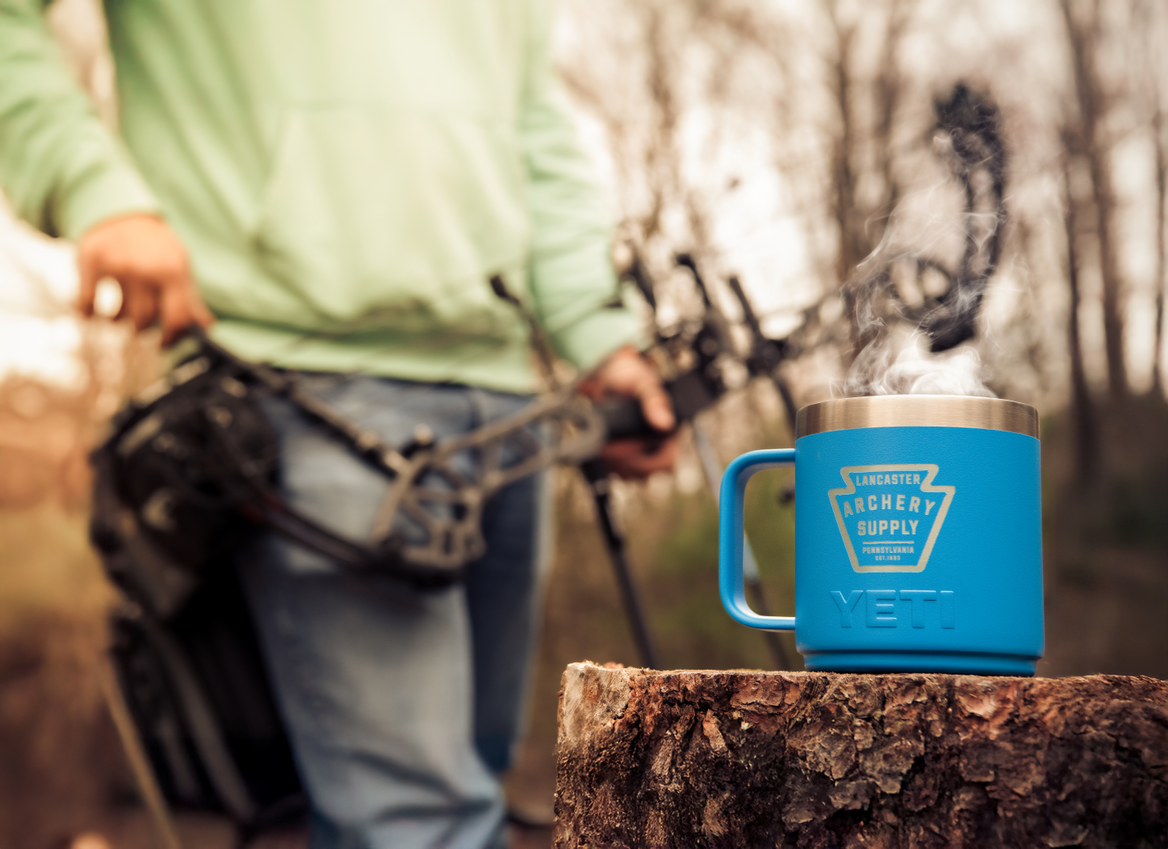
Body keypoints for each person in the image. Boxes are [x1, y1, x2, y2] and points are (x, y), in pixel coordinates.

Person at [0, 3, 677, 848]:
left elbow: (532, 125)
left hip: (507, 396)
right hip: (297, 379)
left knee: (473, 781)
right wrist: (94, 189)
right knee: (422, 821)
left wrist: (599, 336)